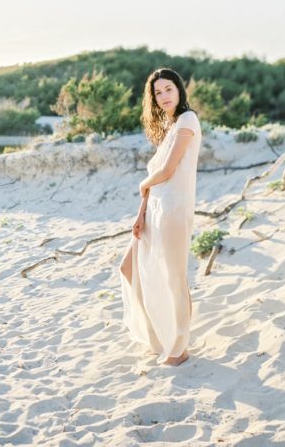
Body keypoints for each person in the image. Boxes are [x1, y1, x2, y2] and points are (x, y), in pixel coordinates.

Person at [119, 67, 202, 366]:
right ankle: (159, 338)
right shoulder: (168, 127)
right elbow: (157, 182)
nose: (164, 96)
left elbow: (166, 171)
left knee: (174, 277)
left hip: (174, 210)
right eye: (158, 92)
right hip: (154, 209)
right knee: (128, 267)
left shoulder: (187, 119)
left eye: (168, 89)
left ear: (179, 90)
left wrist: (142, 183)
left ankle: (179, 348)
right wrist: (140, 214)